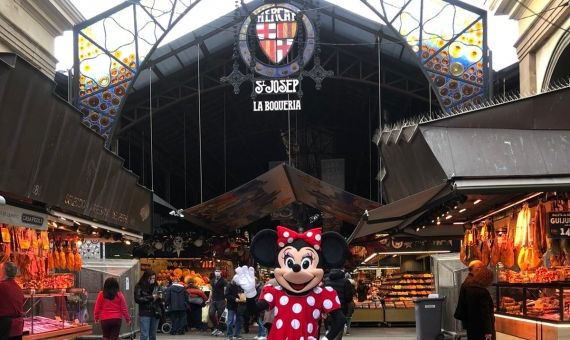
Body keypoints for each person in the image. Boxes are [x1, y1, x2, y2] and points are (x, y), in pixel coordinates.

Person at [454, 260, 495, 340]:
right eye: (483, 268)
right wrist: (488, 331)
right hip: (481, 328)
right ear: (478, 269)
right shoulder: (479, 289)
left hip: (471, 326)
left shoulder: (466, 283)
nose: (485, 271)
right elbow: (484, 312)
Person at [324, 269, 352, 340]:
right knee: (338, 330)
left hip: (328, 310)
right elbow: (348, 298)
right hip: (341, 310)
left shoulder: (326, 281)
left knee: (330, 332)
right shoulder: (346, 281)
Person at [0, 262, 23, 340]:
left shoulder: (2, 286)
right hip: (17, 328)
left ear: (4, 272)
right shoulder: (18, 287)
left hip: (5, 327)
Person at [135, 270, 160, 340]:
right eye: (151, 278)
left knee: (153, 335)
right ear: (146, 277)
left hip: (155, 312)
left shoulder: (156, 285)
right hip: (145, 312)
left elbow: (160, 299)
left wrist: (160, 297)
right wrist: (151, 297)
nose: (153, 280)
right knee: (144, 334)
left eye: (154, 278)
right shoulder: (139, 286)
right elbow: (137, 299)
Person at [207, 269, 227, 336]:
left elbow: (225, 290)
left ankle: (221, 330)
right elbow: (211, 290)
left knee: (220, 315)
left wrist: (226, 299)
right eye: (216, 271)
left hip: (221, 300)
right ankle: (217, 327)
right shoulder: (212, 280)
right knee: (211, 313)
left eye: (218, 271)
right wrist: (209, 299)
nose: (217, 272)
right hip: (213, 300)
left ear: (220, 272)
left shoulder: (223, 281)